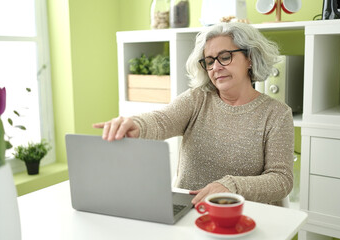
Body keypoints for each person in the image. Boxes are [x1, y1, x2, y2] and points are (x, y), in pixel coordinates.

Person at [93, 22, 294, 206]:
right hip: (188, 210)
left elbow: (281, 180)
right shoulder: (197, 99)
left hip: (242, 216)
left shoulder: (276, 114)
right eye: (209, 61)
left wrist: (232, 186)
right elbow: (161, 120)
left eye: (225, 57)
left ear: (250, 58)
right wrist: (136, 124)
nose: (216, 67)